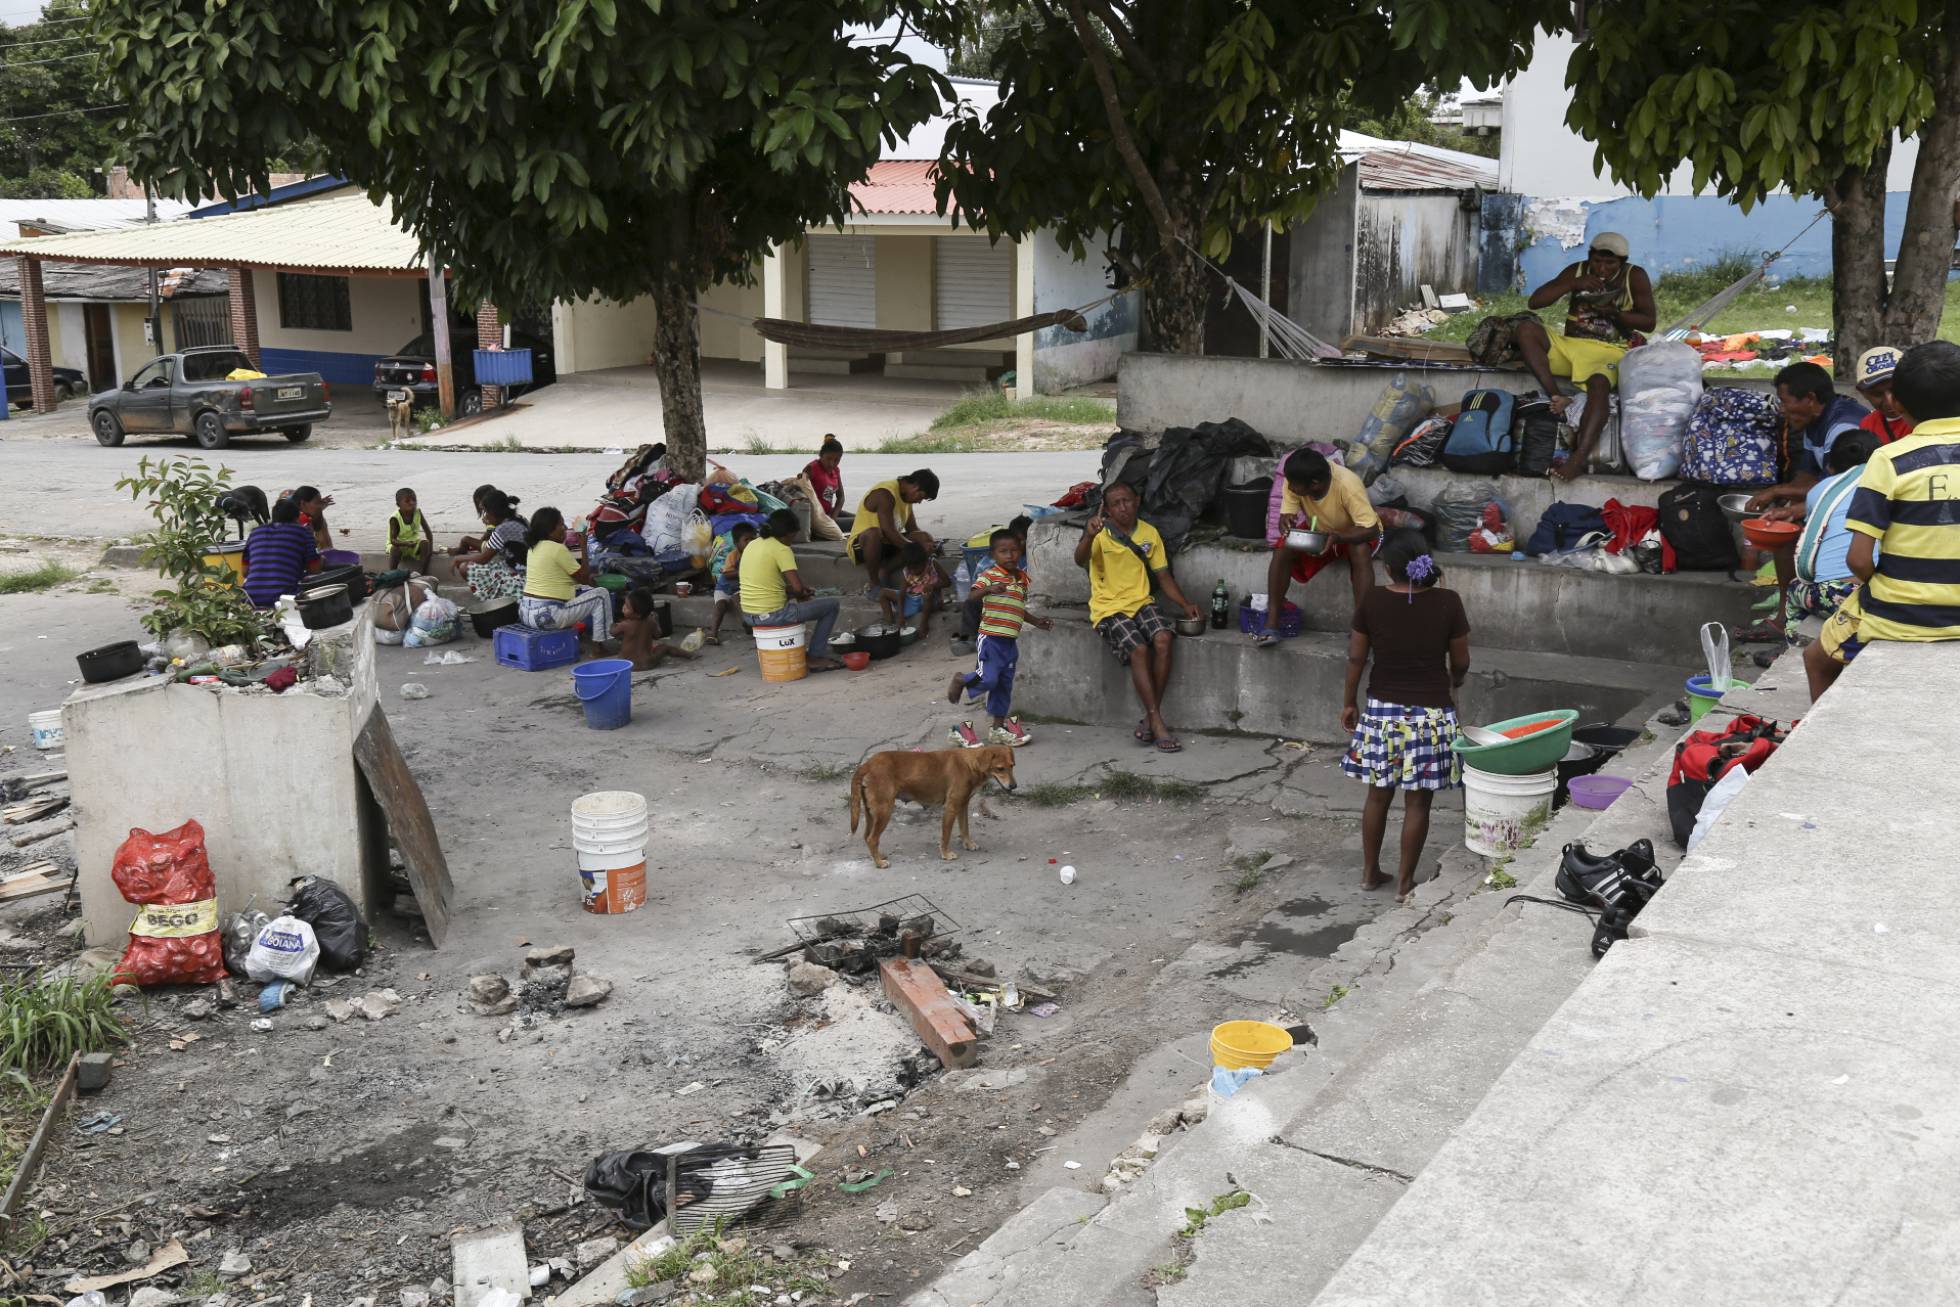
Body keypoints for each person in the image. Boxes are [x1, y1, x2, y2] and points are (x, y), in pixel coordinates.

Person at [1807, 340, 1960, 699]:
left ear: (1898, 402)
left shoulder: (1888, 460)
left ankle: (1829, 741)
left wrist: (1891, 587)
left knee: (1815, 659)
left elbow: (1858, 559)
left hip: (1900, 615)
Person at [1340, 529, 1471, 902]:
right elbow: (1460, 661)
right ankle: (1404, 883)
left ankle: (1369, 874)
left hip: (1382, 711)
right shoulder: (1449, 601)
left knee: (1377, 797)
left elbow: (1355, 658)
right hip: (1431, 714)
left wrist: (1350, 702)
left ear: (1388, 568)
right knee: (1418, 802)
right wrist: (1455, 680)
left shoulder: (1372, 601)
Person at [1512, 232, 1657, 480]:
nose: (1602, 268)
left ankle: (1577, 460)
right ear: (1589, 257)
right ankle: (1555, 395)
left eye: (1610, 263)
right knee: (1525, 329)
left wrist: (1614, 313)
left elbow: (1649, 322)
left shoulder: (1635, 276)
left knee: (1599, 385)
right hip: (1570, 346)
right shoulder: (1578, 270)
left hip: (1611, 350)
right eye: (1597, 261)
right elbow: (1535, 302)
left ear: (1622, 261)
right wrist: (1572, 284)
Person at [1075, 480, 1202, 753]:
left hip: (1141, 602)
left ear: (1137, 500)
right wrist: (1087, 535)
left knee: (1165, 637)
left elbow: (1163, 576)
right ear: (1106, 509)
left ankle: (1150, 716)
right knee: (1139, 648)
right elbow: (1079, 559)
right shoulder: (1099, 533)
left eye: (1127, 501)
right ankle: (1156, 720)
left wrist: (1184, 603)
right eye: (1116, 504)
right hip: (1108, 608)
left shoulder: (1149, 533)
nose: (1123, 508)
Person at [1735, 431, 1878, 641]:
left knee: (1795, 590)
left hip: (1832, 596)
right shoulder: (1891, 485)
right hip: (1882, 593)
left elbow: (1811, 549)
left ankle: (1791, 640)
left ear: (1830, 469)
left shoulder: (1820, 490)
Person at [1257, 448, 1381, 648]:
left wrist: (1339, 537)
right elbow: (1287, 513)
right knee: (1283, 547)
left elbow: (1371, 529)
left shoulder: (1348, 485)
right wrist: (1285, 520)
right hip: (1322, 531)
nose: (1289, 486)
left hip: (1355, 532)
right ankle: (1271, 624)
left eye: (1294, 484)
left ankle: (1361, 627)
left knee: (1360, 550)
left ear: (1314, 484)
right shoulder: (1295, 480)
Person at [947, 527, 1051, 748]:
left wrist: (1036, 622)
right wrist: (989, 589)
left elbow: (1018, 608)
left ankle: (998, 728)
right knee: (989, 678)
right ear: (994, 555)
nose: (1010, 555)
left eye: (1014, 550)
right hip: (991, 638)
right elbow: (972, 595)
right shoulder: (989, 575)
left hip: (1009, 642)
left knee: (1004, 685)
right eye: (1004, 551)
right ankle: (961, 680)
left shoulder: (1022, 579)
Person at [1747, 360, 1871, 512]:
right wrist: (1787, 495)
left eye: (1784, 402)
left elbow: (1837, 489)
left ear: (1810, 399)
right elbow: (1808, 474)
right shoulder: (1813, 421)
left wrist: (1779, 495)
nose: (1781, 409)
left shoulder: (1842, 428)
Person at [741, 508, 843, 671]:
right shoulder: (781, 549)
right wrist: (803, 592)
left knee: (800, 601)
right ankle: (815, 657)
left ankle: (801, 648)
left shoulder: (753, 544)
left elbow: (766, 584)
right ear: (787, 534)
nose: (793, 540)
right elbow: (797, 589)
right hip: (773, 615)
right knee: (831, 606)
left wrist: (796, 592)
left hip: (748, 614)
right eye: (794, 536)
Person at [518, 506, 613, 655]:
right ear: (549, 530)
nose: (565, 528)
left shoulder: (533, 548)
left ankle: (579, 638)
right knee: (601, 595)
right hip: (547, 617)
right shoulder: (558, 549)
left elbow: (563, 578)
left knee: (581, 592)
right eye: (561, 525)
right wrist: (583, 544)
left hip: (525, 613)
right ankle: (598, 647)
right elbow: (584, 578)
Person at [847, 469, 939, 589]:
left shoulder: (906, 498)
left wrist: (930, 544)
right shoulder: (885, 493)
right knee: (873, 533)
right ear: (915, 486)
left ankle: (885, 571)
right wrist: (917, 549)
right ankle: (874, 583)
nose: (919, 501)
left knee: (923, 537)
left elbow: (913, 530)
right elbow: (888, 531)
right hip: (863, 545)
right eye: (921, 496)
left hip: (887, 543)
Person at [955, 515, 1032, 650]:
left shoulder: (1031, 557)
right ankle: (969, 639)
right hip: (994, 597)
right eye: (1018, 541)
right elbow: (978, 586)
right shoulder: (990, 562)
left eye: (1023, 541)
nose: (1020, 545)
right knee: (971, 603)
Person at [449, 489, 528, 600]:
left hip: (521, 578)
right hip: (525, 570)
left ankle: (496, 602)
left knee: (465, 567)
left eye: (486, 512)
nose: (484, 516)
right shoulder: (518, 519)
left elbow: (483, 558)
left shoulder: (502, 529)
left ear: (493, 512)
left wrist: (458, 558)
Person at [241, 497, 320, 608]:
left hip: (250, 598)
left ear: (273, 517)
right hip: (284, 598)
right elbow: (315, 570)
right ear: (297, 518)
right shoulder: (303, 532)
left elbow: (245, 572)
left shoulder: (256, 532)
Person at [880, 542, 954, 637]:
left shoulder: (932, 564)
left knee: (927, 595)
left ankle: (924, 625)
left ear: (924, 561)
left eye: (916, 568)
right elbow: (902, 594)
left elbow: (948, 582)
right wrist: (901, 616)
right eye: (911, 568)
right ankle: (890, 625)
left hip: (929, 601)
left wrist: (933, 586)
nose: (913, 571)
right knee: (883, 593)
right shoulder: (907, 571)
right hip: (912, 599)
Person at [617, 588, 697, 671]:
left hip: (627, 666)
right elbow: (657, 635)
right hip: (647, 663)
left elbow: (612, 632)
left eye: (626, 606)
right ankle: (690, 655)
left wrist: (614, 626)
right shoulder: (651, 621)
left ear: (638, 615)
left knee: (622, 651)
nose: (623, 608)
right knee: (664, 647)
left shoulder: (624, 624)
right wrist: (656, 621)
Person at [704, 522, 758, 646]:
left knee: (737, 598)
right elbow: (727, 574)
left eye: (753, 539)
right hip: (723, 588)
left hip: (739, 589)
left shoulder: (755, 555)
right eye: (746, 540)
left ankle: (747, 622)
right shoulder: (733, 555)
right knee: (720, 605)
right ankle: (713, 632)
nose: (750, 542)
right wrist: (744, 571)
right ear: (736, 543)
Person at [1854, 346, 1913, 443]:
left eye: (1895, 389)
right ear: (1862, 392)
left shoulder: (1928, 418)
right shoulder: (1867, 425)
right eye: (1877, 394)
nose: (1889, 401)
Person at [804, 436, 849, 530]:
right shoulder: (811, 469)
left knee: (861, 518)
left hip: (829, 515)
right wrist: (828, 521)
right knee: (858, 524)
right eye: (828, 459)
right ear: (821, 455)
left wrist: (833, 518)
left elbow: (841, 497)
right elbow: (801, 495)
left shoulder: (836, 470)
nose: (832, 463)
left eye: (836, 460)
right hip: (816, 519)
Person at [386, 487, 434, 574]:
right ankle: (392, 574)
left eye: (414, 500)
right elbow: (393, 540)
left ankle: (423, 573)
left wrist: (430, 549)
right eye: (407, 501)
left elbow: (428, 532)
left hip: (413, 544)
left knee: (425, 543)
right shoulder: (395, 518)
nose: (412, 503)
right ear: (398, 504)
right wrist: (406, 544)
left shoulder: (418, 512)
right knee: (395, 549)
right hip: (399, 545)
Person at [456, 483, 507, 554]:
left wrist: (477, 543)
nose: (479, 506)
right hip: (501, 544)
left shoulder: (492, 514)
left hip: (497, 549)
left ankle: (458, 551)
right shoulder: (503, 510)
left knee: (465, 539)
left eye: (479, 502)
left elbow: (489, 533)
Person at [286, 485, 339, 552]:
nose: (321, 505)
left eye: (321, 501)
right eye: (318, 503)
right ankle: (327, 552)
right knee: (321, 524)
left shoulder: (298, 506)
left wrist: (318, 506)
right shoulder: (299, 519)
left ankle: (327, 551)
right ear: (303, 503)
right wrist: (319, 511)